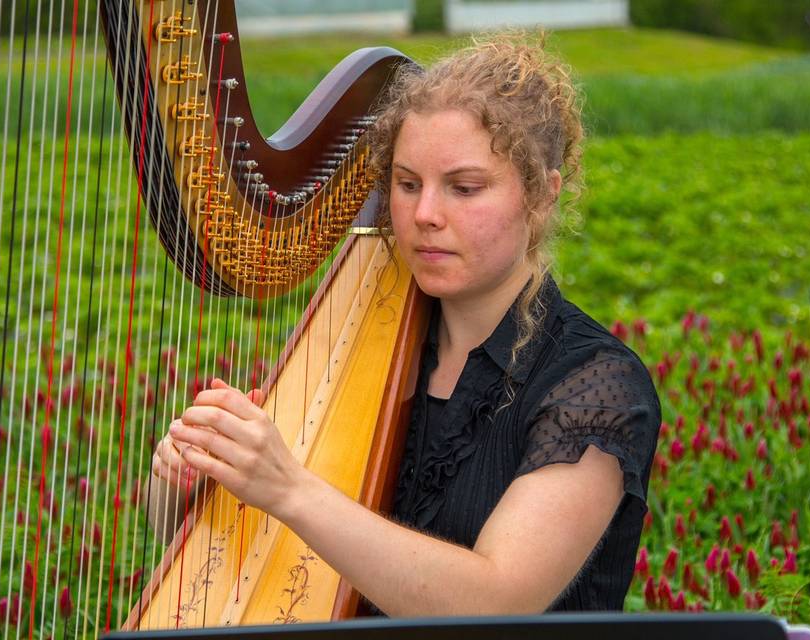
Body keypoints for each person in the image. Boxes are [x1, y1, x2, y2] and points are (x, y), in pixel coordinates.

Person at [148, 35, 661, 616]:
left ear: (543, 196)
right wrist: (188, 485)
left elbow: (498, 601)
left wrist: (289, 487)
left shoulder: (596, 387)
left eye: (464, 189)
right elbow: (249, 556)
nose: (424, 215)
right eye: (407, 183)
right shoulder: (362, 342)